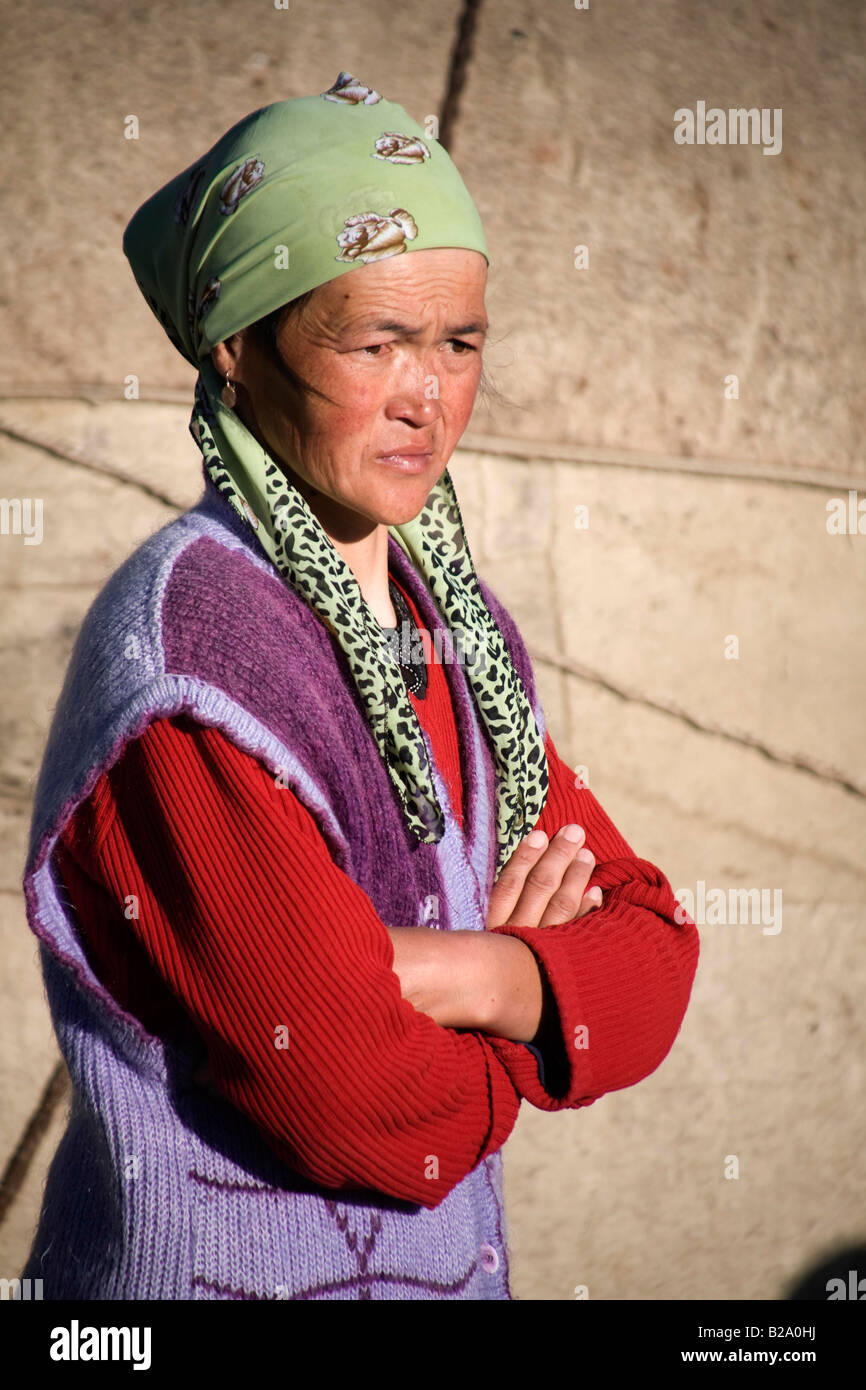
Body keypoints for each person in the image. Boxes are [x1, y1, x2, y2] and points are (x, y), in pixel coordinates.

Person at [21, 74, 699, 1301]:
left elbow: (653, 950)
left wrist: (463, 972)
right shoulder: (193, 663)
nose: (423, 398)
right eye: (371, 340)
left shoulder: (461, 638)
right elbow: (362, 1102)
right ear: (238, 346)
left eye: (456, 343)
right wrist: (539, 1005)